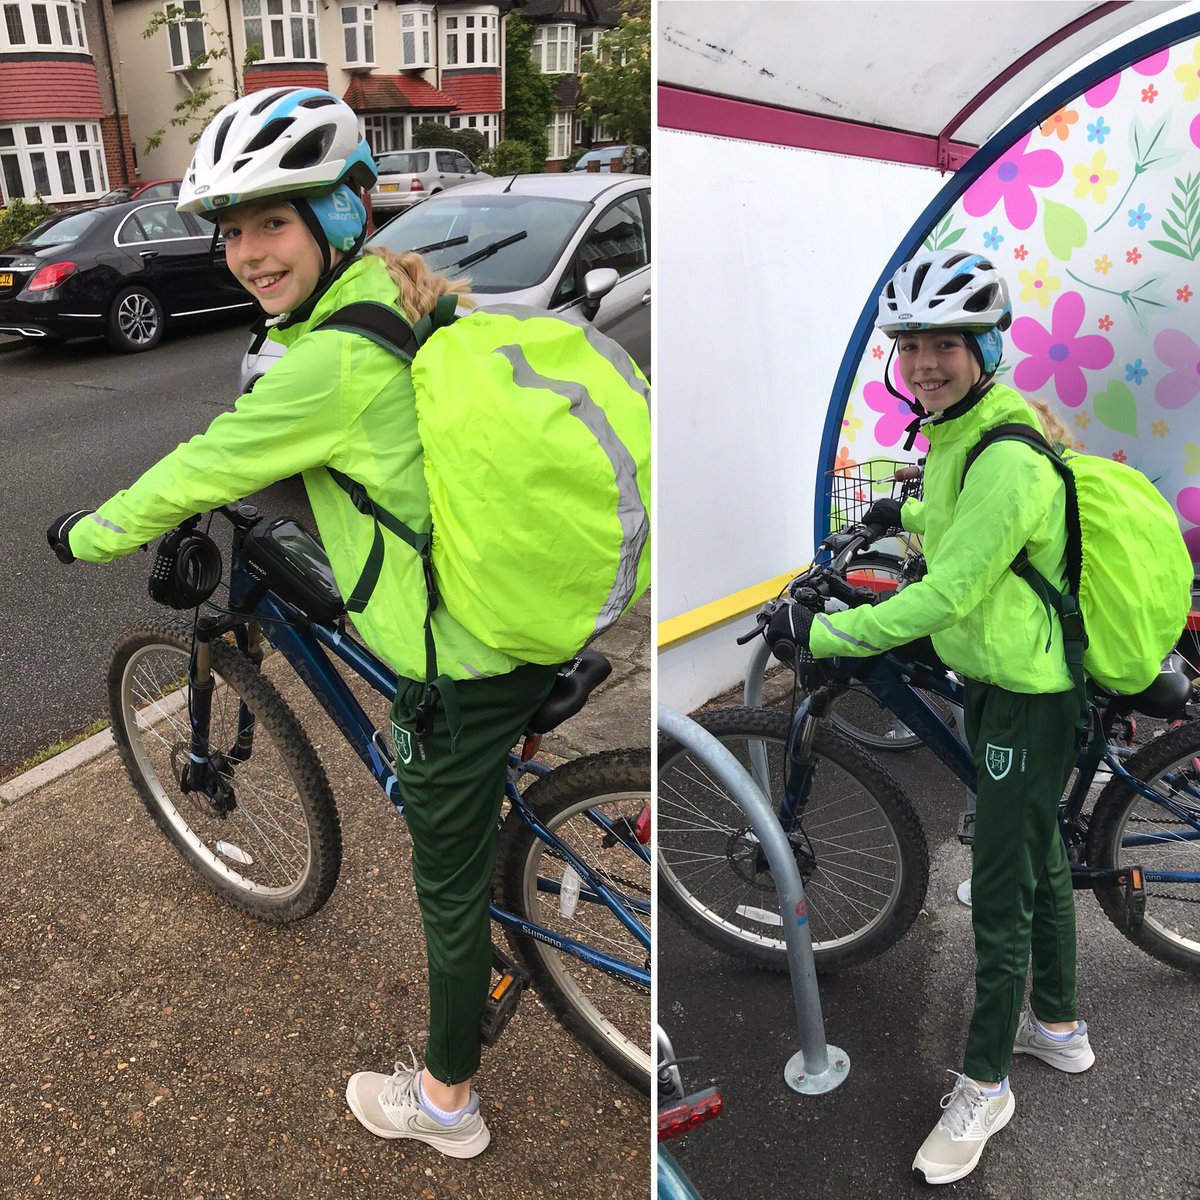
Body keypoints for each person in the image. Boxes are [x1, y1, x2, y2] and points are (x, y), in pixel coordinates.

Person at [45, 87, 561, 1159]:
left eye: (272, 222)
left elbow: (196, 468)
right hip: (523, 601)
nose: (246, 253)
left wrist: (85, 536)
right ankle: (531, 799)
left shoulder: (326, 360)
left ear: (338, 216)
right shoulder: (395, 292)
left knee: (448, 887)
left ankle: (447, 1103)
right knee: (477, 811)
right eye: (231, 231)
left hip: (462, 655)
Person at [766, 249, 1094, 1186]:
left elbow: (949, 590)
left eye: (945, 343)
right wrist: (894, 512)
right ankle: (1059, 1026)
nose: (924, 364)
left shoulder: (1004, 451)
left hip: (1024, 694)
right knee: (1037, 855)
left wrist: (830, 631)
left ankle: (986, 1083)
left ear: (985, 343)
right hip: (1009, 674)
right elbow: (950, 519)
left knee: (1000, 886)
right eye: (911, 345)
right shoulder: (964, 430)